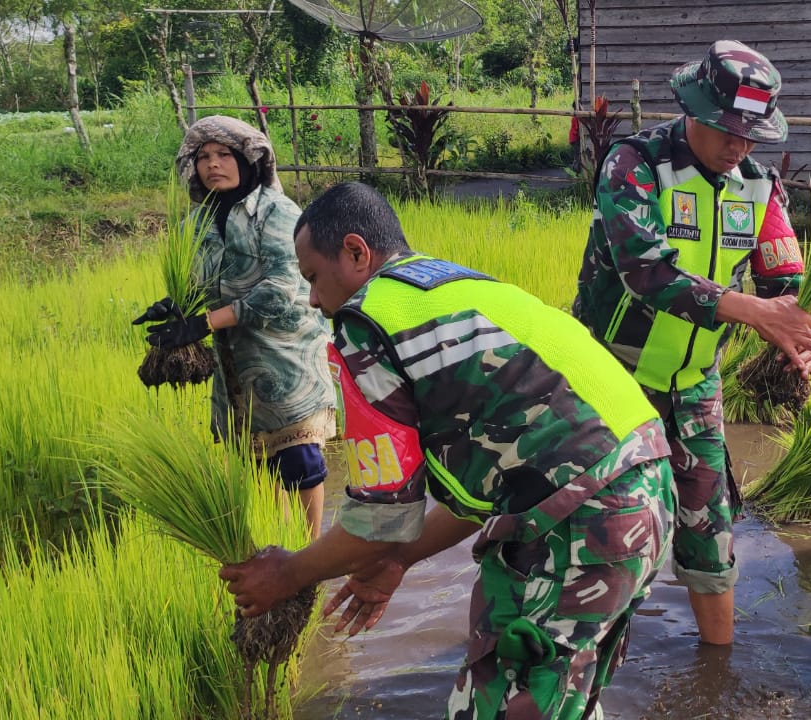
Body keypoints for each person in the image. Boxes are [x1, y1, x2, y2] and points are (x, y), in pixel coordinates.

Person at [219, 182, 676, 720]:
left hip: (583, 521)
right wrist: (399, 561)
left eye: (314, 277)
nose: (315, 300)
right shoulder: (454, 287)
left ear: (356, 253)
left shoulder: (370, 323)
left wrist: (289, 572)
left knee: (500, 700)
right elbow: (494, 480)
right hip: (644, 493)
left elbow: (378, 516)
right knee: (559, 694)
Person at [571, 39, 811, 646]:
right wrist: (753, 311)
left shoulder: (761, 187)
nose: (738, 145)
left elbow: (782, 279)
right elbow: (645, 271)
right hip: (614, 377)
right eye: (726, 129)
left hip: (696, 382)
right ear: (692, 108)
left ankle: (717, 673)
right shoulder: (636, 164)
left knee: (710, 528)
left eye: (752, 135)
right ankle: (587, 674)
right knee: (608, 529)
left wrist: (795, 329)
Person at [135, 115, 336, 539]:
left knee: (299, 460)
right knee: (256, 463)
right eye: (203, 157)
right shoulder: (195, 223)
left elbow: (283, 289)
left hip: (285, 359)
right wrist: (175, 307)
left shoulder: (277, 212)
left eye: (224, 155)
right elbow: (201, 286)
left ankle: (311, 550)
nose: (213, 164)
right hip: (233, 365)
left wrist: (205, 323)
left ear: (248, 161)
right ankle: (281, 551)